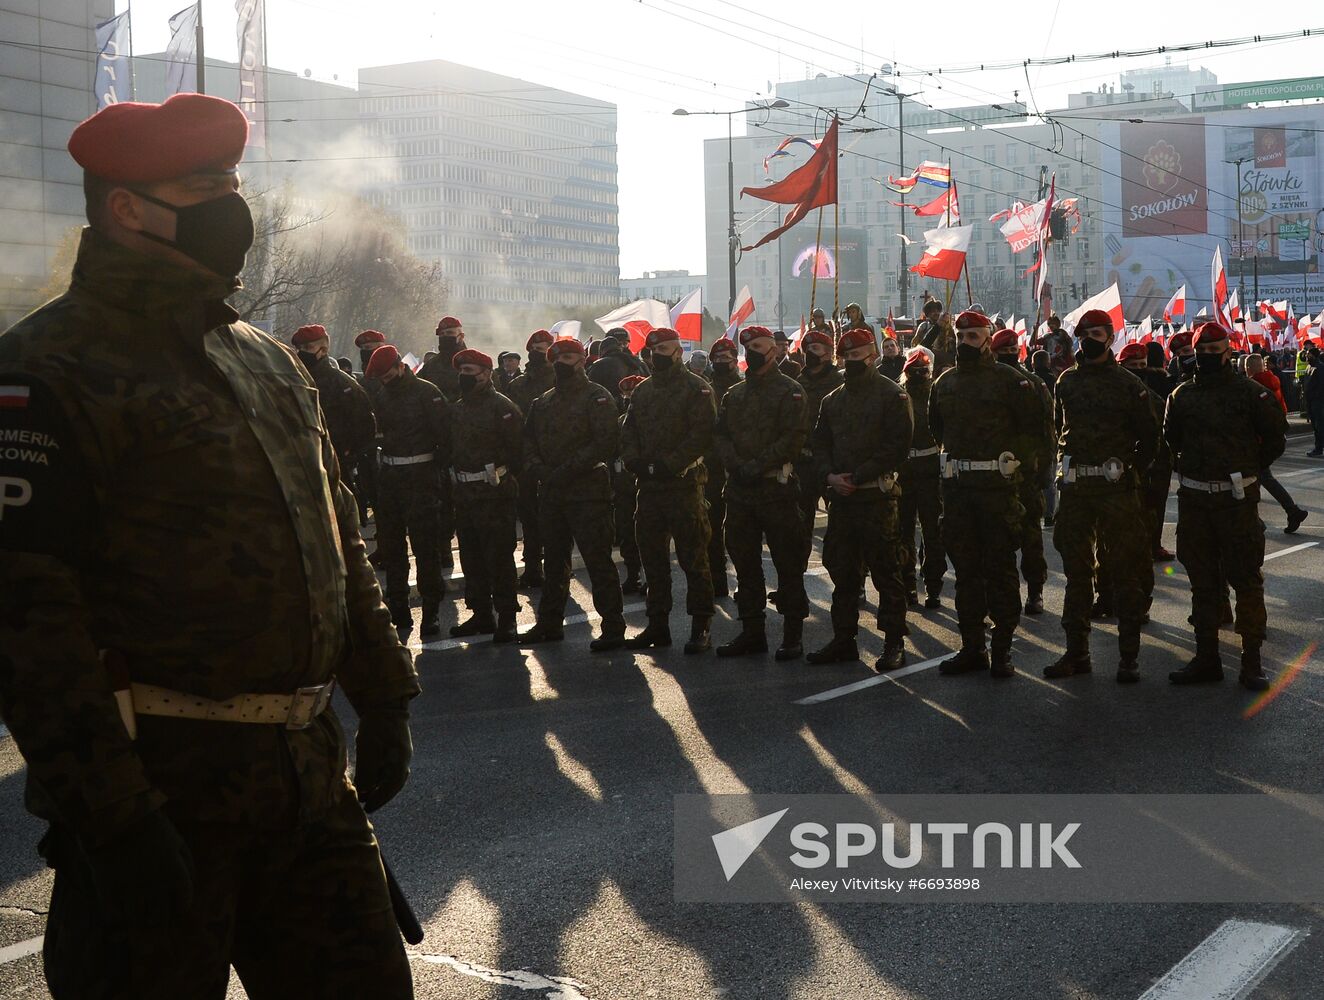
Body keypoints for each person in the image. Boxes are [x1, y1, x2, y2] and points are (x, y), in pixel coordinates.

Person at [0, 93, 417, 999]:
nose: (234, 208)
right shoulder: (45, 369)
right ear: (126, 208)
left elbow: (338, 539)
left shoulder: (266, 361)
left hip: (306, 783)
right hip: (158, 793)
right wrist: (116, 822)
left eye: (234, 183)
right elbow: (30, 624)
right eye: (204, 187)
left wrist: (383, 695)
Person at [1165, 322, 1287, 690]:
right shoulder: (1182, 395)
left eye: (1214, 350)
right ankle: (1207, 658)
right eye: (1201, 351)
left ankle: (1251, 662)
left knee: (1246, 581)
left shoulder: (1251, 394)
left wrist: (1247, 468)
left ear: (1228, 351)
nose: (1207, 357)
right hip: (1196, 501)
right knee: (1202, 583)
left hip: (1236, 501)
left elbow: (1275, 440)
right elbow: (1171, 440)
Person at [929, 310, 1046, 679]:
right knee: (965, 572)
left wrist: (1020, 478)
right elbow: (937, 430)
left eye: (973, 336)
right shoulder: (944, 383)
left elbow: (1035, 435)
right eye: (961, 337)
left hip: (999, 491)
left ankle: (1002, 649)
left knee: (999, 570)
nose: (965, 342)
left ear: (987, 338)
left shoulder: (1012, 382)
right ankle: (972, 647)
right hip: (960, 492)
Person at [1044, 313, 1159, 683]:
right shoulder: (1067, 382)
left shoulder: (1129, 385)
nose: (1090, 339)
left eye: (1097, 334)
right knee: (1076, 575)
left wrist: (1130, 472)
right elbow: (1059, 428)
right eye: (1085, 334)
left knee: (1124, 572)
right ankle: (1076, 653)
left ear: (1110, 338)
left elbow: (1150, 439)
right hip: (1077, 490)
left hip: (1116, 491)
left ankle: (1128, 657)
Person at [807, 328, 914, 670]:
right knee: (843, 573)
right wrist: (830, 477)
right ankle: (844, 639)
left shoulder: (891, 395)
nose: (851, 362)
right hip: (843, 500)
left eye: (857, 357)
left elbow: (897, 446)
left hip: (876, 499)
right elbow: (819, 445)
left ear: (872, 357)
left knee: (886, 572)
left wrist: (859, 475)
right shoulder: (832, 400)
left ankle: (894, 641)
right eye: (846, 357)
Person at [519, 337, 626, 651]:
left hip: (587, 491)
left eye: (569, 356)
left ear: (582, 360)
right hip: (552, 492)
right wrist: (539, 469)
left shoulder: (597, 398)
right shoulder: (543, 402)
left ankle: (613, 626)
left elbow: (605, 442)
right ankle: (550, 623)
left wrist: (566, 470)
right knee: (553, 561)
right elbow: (528, 442)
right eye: (559, 357)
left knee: (598, 561)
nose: (563, 362)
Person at [714, 326, 809, 659]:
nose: (751, 351)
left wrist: (756, 466)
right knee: (745, 564)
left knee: (787, 563)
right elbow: (721, 436)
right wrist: (737, 465)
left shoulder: (790, 391)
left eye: (757, 345)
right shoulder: (734, 395)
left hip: (776, 489)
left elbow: (792, 439)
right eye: (748, 347)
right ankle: (752, 631)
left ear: (772, 349)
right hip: (740, 492)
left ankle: (792, 635)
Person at [620, 329, 718, 653]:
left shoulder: (697, 388)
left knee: (694, 559)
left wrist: (670, 463)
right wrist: (636, 462)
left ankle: (701, 625)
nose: (658, 354)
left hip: (684, 486)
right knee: (653, 561)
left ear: (678, 351)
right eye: (653, 350)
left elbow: (701, 433)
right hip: (648, 489)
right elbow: (629, 430)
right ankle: (657, 625)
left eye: (664, 348)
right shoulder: (643, 391)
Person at [367, 344, 452, 638]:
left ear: (400, 366)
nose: (385, 380)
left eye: (388, 374)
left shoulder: (427, 393)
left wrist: (436, 473)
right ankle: (399, 608)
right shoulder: (382, 395)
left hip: (421, 477)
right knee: (392, 549)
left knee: (425, 548)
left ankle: (431, 612)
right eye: (380, 377)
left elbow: (445, 436)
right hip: (391, 477)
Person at [448, 348, 523, 643]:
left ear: (486, 374)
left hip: (494, 493)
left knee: (500, 557)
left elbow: (517, 452)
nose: (465, 377)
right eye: (462, 371)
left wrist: (501, 478)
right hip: (465, 494)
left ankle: (507, 618)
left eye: (471, 372)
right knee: (471, 556)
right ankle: (481, 613)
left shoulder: (502, 407)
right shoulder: (457, 408)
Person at [990, 328, 1056, 616]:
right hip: (1010, 474)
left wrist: (1042, 471)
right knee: (1020, 538)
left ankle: (1032, 591)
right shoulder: (989, 382)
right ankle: (1030, 593)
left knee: (1023, 537)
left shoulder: (1031, 384)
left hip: (1017, 474)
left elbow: (1046, 431)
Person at [290, 324, 376, 471]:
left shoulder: (342, 384)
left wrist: (349, 454)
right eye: (300, 348)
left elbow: (364, 424)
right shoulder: (293, 380)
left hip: (336, 464)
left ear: (323, 350)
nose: (302, 353)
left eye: (308, 347)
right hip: (300, 462)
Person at [508, 330, 557, 588]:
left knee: (554, 515)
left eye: (546, 347)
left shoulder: (561, 382)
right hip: (526, 459)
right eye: (537, 347)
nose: (541, 352)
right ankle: (532, 565)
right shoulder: (518, 385)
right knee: (528, 514)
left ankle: (556, 564)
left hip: (555, 459)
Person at [899, 346, 946, 608]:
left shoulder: (937, 395)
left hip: (929, 470)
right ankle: (908, 585)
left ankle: (933, 585)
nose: (918, 375)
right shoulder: (898, 397)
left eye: (922, 371)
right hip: (905, 471)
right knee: (904, 532)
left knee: (932, 532)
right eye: (913, 371)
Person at [794, 329, 845, 560]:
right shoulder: (797, 383)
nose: (808, 354)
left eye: (815, 349)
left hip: (834, 462)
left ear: (828, 354)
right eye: (807, 349)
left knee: (841, 526)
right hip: (804, 461)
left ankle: (852, 583)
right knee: (800, 524)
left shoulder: (840, 382)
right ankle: (795, 585)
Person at [1244, 354, 1309, 532]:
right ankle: (1290, 512)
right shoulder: (1273, 380)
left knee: (1253, 480)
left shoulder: (1253, 387)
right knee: (1260, 479)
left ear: (1248, 368)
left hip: (1257, 440)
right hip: (1271, 438)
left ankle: (1257, 519)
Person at [704, 338, 742, 599]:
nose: (721, 363)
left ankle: (744, 580)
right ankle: (717, 580)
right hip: (712, 469)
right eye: (716, 359)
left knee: (740, 531)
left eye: (725, 358)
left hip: (741, 467)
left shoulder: (745, 389)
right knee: (712, 529)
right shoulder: (704, 391)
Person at [614, 375, 646, 595]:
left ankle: (650, 577)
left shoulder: (655, 421)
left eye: (632, 395)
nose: (628, 399)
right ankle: (633, 574)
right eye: (625, 395)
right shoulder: (619, 422)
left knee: (648, 536)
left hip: (647, 485)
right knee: (626, 532)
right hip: (624, 487)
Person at [588, 329, 647, 404]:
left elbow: (589, 393)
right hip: (637, 411)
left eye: (624, 343)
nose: (621, 346)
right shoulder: (640, 364)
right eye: (619, 343)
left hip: (608, 410)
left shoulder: (599, 365)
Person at [912, 299, 955, 373]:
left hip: (944, 364)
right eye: (932, 311)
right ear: (928, 314)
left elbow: (953, 346)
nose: (936, 313)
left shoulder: (947, 327)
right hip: (927, 362)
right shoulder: (923, 327)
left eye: (938, 310)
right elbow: (917, 346)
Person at [1303, 345, 1324, 457]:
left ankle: (1319, 447)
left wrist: (1316, 397)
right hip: (1310, 401)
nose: (1306, 356)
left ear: (1314, 356)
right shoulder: (1308, 368)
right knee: (1316, 427)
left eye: (1309, 354)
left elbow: (1321, 386)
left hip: (1318, 401)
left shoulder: (1320, 368)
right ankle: (1318, 448)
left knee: (1320, 426)